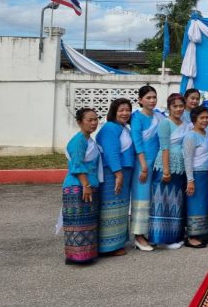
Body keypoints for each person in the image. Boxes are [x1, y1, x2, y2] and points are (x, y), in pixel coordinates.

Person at [62, 108, 102, 265]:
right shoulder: (78, 141)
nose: (94, 123)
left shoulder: (89, 140)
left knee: (87, 222)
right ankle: (76, 257)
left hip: (88, 186)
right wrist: (86, 184)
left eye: (95, 119)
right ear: (79, 122)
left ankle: (86, 255)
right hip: (78, 187)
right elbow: (77, 165)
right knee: (77, 223)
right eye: (89, 120)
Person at [96, 98, 135, 256]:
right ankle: (108, 246)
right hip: (113, 173)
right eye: (121, 110)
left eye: (128, 110)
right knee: (110, 209)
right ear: (114, 112)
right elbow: (111, 153)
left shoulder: (124, 128)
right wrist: (118, 174)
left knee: (120, 208)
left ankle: (117, 243)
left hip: (124, 172)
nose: (125, 113)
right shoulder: (110, 128)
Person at [148, 94, 186, 249]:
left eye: (181, 106)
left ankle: (174, 237)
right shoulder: (165, 123)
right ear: (169, 107)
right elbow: (164, 148)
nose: (178, 109)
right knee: (162, 201)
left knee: (176, 202)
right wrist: (166, 171)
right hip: (166, 166)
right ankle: (161, 239)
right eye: (175, 106)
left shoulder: (185, 123)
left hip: (180, 167)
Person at [130, 85, 162, 251]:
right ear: (140, 100)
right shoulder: (137, 118)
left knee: (153, 198)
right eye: (148, 98)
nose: (152, 100)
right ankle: (138, 236)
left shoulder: (159, 116)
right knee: (141, 198)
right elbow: (137, 142)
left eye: (154, 97)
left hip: (157, 163)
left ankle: (149, 233)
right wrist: (143, 165)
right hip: (142, 163)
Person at [182, 106, 208, 249]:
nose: (205, 120)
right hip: (196, 174)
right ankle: (191, 236)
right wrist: (190, 180)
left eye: (207, 117)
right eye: (202, 118)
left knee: (204, 204)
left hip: (207, 173)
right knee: (195, 204)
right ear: (194, 119)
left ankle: (202, 233)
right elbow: (187, 159)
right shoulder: (190, 136)